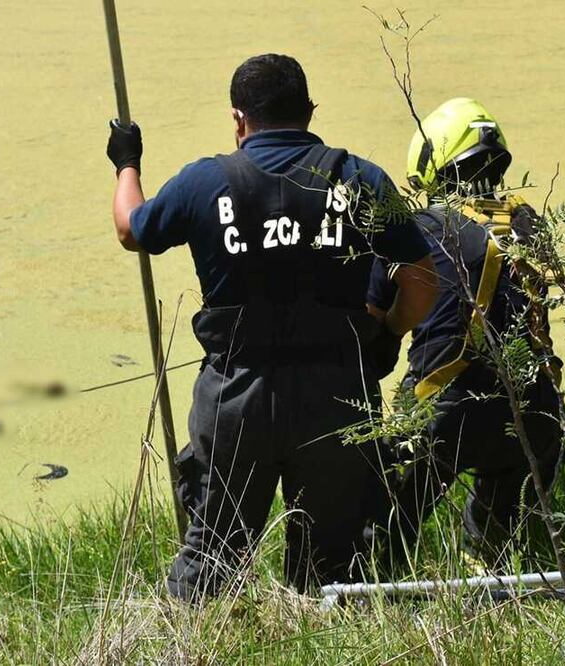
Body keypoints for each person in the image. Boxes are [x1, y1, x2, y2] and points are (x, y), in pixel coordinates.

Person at [105, 53, 437, 600]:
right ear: (309, 111)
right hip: (338, 398)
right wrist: (386, 332)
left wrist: (127, 162)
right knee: (334, 565)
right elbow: (423, 283)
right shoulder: (361, 179)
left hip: (237, 396)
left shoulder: (204, 181)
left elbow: (130, 229)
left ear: (239, 120)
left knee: (211, 554)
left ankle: (197, 646)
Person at [366, 97, 565, 569]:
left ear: (433, 164)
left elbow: (372, 319)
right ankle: (492, 606)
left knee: (383, 532)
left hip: (447, 409)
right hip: (537, 413)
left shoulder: (419, 229)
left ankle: (384, 607)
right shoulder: (529, 224)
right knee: (497, 551)